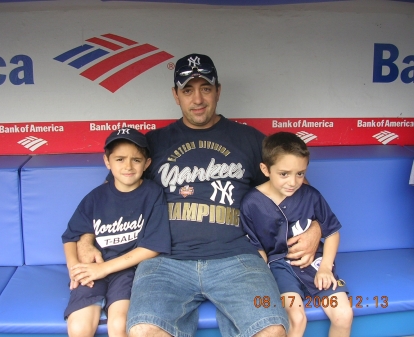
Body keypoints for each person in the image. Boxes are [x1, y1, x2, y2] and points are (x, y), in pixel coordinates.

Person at [77, 53, 322, 337]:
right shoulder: (151, 144)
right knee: (143, 331)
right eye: (188, 90)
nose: (198, 99)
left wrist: (316, 228)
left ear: (218, 91)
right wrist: (85, 238)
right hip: (164, 262)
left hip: (238, 258)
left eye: (205, 88)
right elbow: (109, 198)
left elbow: (299, 189)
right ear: (175, 95)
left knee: (271, 331)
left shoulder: (251, 140)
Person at [240, 132, 353, 337]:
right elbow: (258, 250)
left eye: (300, 173)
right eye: (284, 174)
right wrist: (263, 280)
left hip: (314, 263)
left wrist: (326, 267)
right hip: (279, 268)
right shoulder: (251, 203)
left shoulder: (311, 195)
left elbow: (332, 233)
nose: (293, 181)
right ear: (265, 169)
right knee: (297, 318)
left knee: (344, 314)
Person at [61, 128, 171, 337]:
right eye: (120, 159)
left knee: (119, 325)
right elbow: (70, 236)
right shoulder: (96, 196)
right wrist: (75, 268)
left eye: (136, 160)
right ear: (107, 161)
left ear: (147, 163)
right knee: (78, 327)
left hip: (128, 270)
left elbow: (153, 247)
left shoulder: (153, 193)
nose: (128, 166)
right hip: (94, 267)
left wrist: (103, 270)